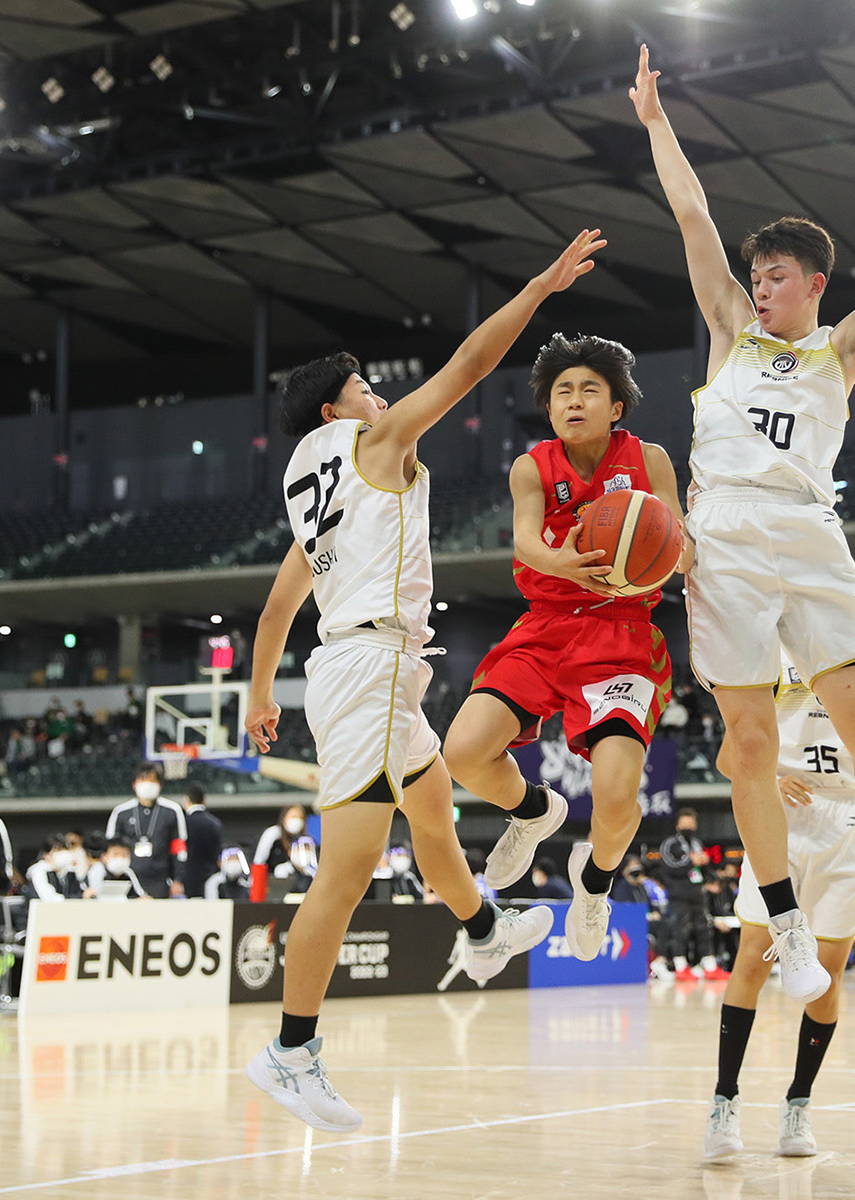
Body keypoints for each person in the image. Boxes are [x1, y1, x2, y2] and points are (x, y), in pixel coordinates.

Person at [239, 230, 600, 1132]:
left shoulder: (316, 486)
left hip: (375, 668)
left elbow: (278, 607)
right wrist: (540, 288)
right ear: (336, 410)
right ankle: (289, 1051)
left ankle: (482, 929)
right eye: (365, 387)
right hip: (367, 668)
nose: (380, 394)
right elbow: (471, 364)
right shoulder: (374, 443)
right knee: (349, 868)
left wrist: (259, 693)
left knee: (434, 812)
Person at [631, 45, 855, 1005]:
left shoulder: (840, 350)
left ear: (813, 284)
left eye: (775, 276)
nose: (759, 286)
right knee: (747, 744)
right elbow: (691, 216)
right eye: (756, 275)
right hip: (724, 534)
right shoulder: (729, 333)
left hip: (810, 527)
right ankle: (782, 925)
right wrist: (657, 123)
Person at [443, 333, 684, 963]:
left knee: (617, 797)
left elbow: (678, 541)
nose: (574, 401)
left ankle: (595, 884)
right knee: (462, 753)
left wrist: (661, 557)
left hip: (622, 635)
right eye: (562, 393)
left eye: (589, 391)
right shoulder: (532, 466)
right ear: (548, 409)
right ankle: (533, 810)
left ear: (616, 406)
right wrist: (563, 563)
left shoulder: (649, 459)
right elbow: (526, 541)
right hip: (547, 624)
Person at [705, 656, 855, 1160]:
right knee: (753, 957)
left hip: (846, 818)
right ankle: (724, 1100)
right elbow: (727, 758)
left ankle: (798, 1102)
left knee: (829, 971)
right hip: (778, 815)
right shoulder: (765, 660)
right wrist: (769, 779)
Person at [105, 765, 187, 899]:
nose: (147, 784)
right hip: (129, 877)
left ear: (160, 785)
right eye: (143, 780)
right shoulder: (121, 812)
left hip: (161, 879)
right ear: (134, 784)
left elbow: (179, 848)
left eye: (152, 780)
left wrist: (178, 879)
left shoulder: (172, 810)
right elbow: (110, 846)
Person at [659, 807, 719, 979]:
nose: (688, 827)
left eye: (691, 824)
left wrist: (706, 866)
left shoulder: (697, 843)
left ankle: (709, 966)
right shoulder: (670, 844)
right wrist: (690, 861)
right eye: (685, 824)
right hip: (679, 894)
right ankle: (680, 966)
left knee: (703, 929)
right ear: (677, 826)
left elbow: (702, 869)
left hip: (697, 892)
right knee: (680, 930)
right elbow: (669, 866)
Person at [250, 803, 308, 896]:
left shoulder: (304, 840)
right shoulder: (273, 834)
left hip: (296, 885)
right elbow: (259, 861)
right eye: (293, 817)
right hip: (271, 884)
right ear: (284, 819)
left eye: (300, 818)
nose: (297, 820)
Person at [180, 783, 224, 898]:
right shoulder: (216, 823)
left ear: (186, 800)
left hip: (188, 879)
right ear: (204, 799)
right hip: (210, 877)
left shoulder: (183, 823)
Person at [84, 835, 146, 899]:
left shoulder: (128, 872)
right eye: (115, 854)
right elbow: (93, 893)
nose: (120, 857)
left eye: (124, 854)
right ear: (104, 856)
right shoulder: (96, 870)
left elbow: (141, 895)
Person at [25, 834, 83, 901]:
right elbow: (47, 898)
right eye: (58, 850)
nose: (63, 854)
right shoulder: (38, 871)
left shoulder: (70, 873)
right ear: (46, 855)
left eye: (65, 850)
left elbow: (78, 894)